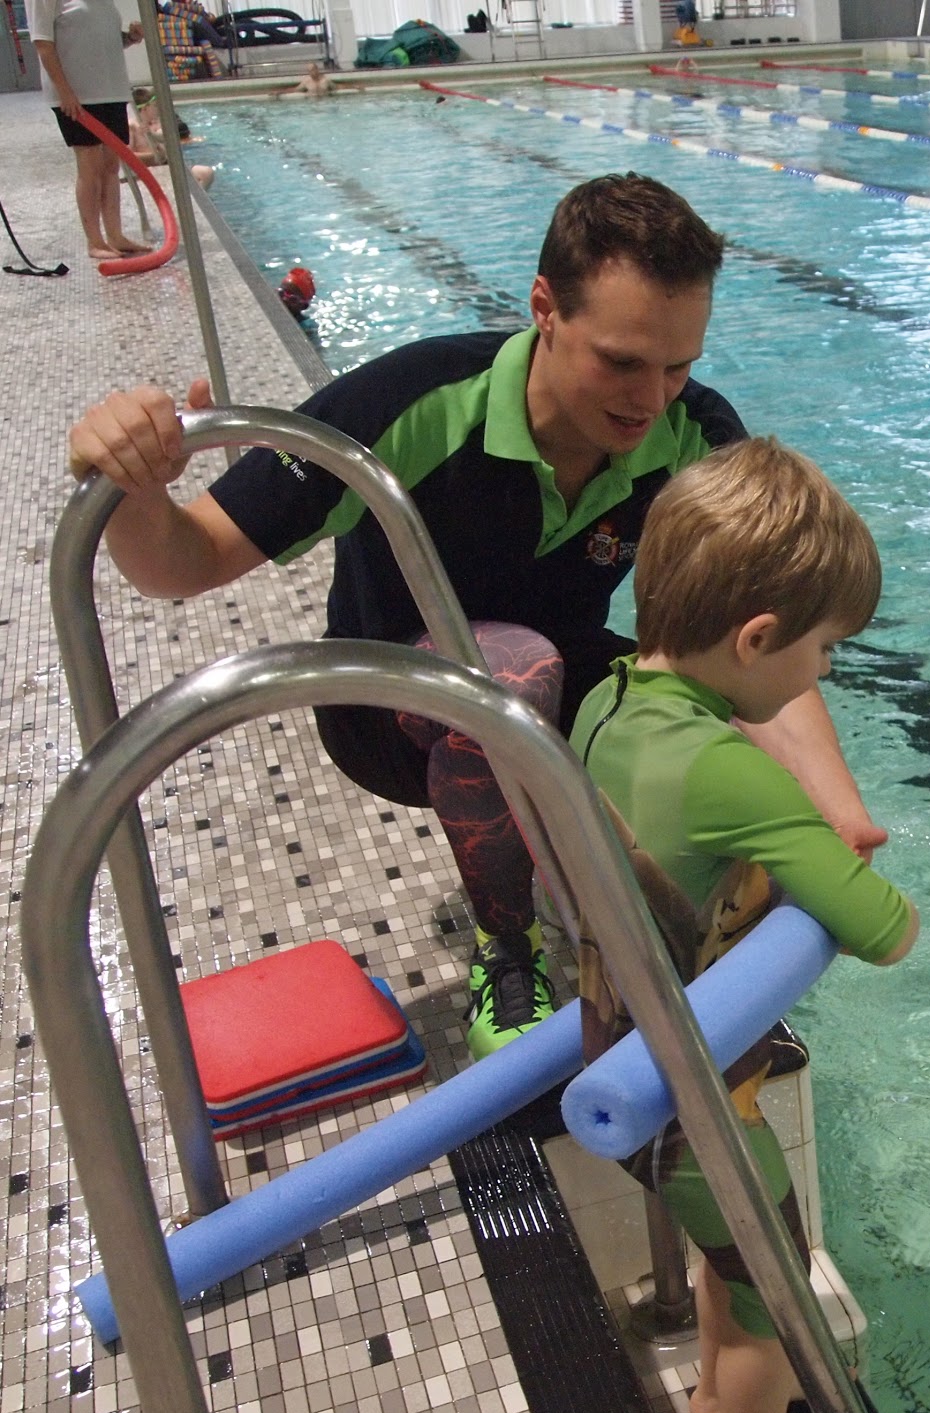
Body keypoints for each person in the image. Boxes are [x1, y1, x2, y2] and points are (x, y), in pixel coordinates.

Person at [67, 173, 885, 1062]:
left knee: (685, 707)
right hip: (388, 706)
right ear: (544, 308)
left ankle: (676, 963)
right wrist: (135, 487)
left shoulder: (689, 431)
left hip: (557, 680)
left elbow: (757, 632)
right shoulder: (410, 403)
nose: (652, 399)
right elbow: (184, 561)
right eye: (620, 361)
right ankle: (510, 954)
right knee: (514, 669)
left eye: (678, 364)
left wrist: (834, 809)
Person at [569, 437, 919, 1413]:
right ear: (756, 637)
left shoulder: (607, 704)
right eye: (821, 649)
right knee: (778, 1283)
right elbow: (883, 928)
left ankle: (718, 1396)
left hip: (614, 1043)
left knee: (733, 1244)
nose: (822, 674)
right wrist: (812, 846)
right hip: (686, 1100)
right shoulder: (725, 767)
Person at [30, 0, 145, 260]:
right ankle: (95, 241)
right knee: (90, 164)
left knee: (111, 166)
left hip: (110, 89)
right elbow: (43, 44)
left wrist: (129, 38)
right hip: (77, 95)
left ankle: (115, 235)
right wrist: (65, 92)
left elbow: (98, 38)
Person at [129, 87, 215, 189]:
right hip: (150, 170)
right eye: (155, 106)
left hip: (166, 166)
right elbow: (126, 155)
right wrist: (153, 156)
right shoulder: (131, 127)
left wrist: (152, 134)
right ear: (145, 108)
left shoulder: (155, 124)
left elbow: (165, 137)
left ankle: (192, 202)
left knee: (206, 173)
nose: (158, 110)